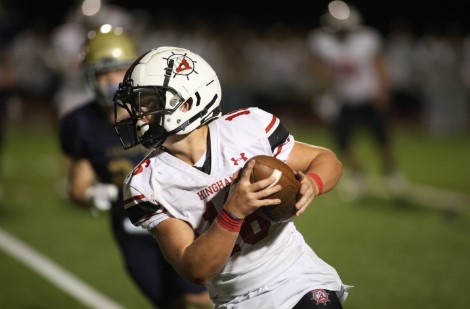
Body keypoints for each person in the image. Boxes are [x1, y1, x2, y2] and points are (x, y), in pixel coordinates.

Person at [113, 46, 351, 308]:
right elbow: (196, 270)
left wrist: (313, 184)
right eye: (137, 104)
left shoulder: (246, 129)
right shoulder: (146, 183)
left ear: (187, 102)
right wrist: (233, 211)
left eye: (148, 102)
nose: (138, 114)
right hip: (235, 299)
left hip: (298, 277)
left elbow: (327, 160)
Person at [58, 27, 211, 309]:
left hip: (180, 215)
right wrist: (92, 195)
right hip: (133, 227)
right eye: (103, 73)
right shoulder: (80, 124)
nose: (112, 80)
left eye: (118, 71)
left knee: (200, 298)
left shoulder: (160, 106)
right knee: (169, 303)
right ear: (89, 76)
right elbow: (77, 187)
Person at [307, 1, 406, 200]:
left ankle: (392, 172)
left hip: (368, 96)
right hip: (343, 99)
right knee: (342, 142)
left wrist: (383, 89)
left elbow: (379, 64)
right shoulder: (322, 41)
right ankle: (359, 175)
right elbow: (317, 67)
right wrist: (323, 87)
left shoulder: (367, 39)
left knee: (382, 139)